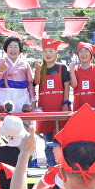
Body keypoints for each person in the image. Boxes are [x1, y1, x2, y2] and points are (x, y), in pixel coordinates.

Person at [34, 38, 71, 167]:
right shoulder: (40, 68)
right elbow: (37, 82)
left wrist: (65, 104)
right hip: (45, 110)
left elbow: (67, 86)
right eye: (45, 51)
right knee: (48, 140)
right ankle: (51, 167)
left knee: (62, 139)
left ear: (56, 53)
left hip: (60, 108)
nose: (48, 54)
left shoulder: (62, 67)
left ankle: (64, 167)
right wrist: (37, 69)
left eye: (51, 51)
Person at [0, 37, 36, 112]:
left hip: (21, 96)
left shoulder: (25, 64)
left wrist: (33, 100)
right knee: (4, 120)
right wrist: (1, 69)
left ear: (20, 50)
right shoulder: (0, 62)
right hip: (3, 95)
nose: (13, 49)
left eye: (15, 47)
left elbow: (30, 83)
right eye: (10, 47)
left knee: (22, 121)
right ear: (6, 49)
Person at [69, 42, 95, 111]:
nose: (83, 54)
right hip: (79, 107)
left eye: (86, 51)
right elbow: (74, 85)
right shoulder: (75, 69)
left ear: (91, 54)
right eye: (81, 51)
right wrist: (71, 71)